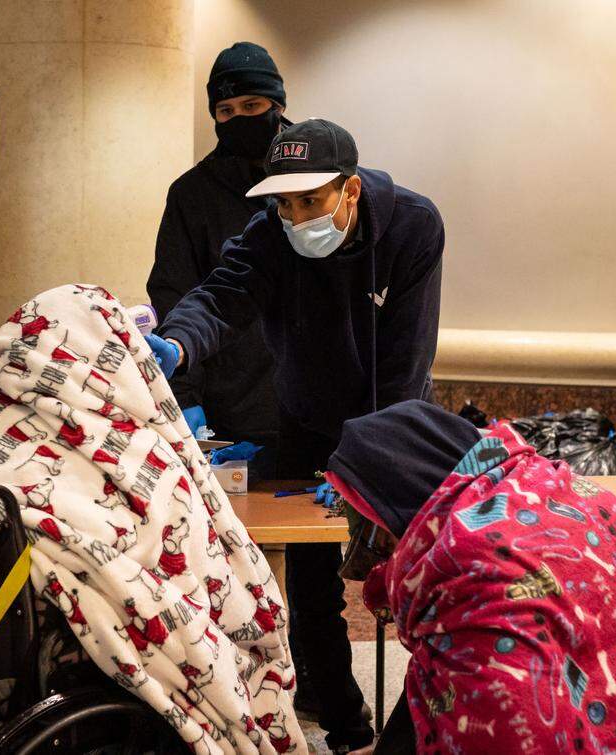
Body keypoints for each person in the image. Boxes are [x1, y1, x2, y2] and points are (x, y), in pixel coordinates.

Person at [148, 118, 445, 753]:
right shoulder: (271, 236)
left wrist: (367, 467)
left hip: (395, 422)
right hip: (307, 418)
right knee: (313, 589)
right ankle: (347, 727)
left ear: (352, 190)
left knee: (420, 582)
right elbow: (221, 299)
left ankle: (430, 727)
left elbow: (406, 362)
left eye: (311, 200)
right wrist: (176, 344)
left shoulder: (415, 227)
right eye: (284, 202)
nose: (295, 216)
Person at [326, 401, 616, 755]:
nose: (380, 561)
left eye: (377, 534)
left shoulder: (467, 564)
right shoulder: (574, 494)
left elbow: (501, 729)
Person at [147, 41, 286, 472]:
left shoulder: (315, 181)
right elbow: (176, 293)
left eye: (252, 104)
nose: (238, 118)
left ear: (278, 105)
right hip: (232, 400)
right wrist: (185, 396)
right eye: (225, 111)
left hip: (314, 399)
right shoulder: (192, 194)